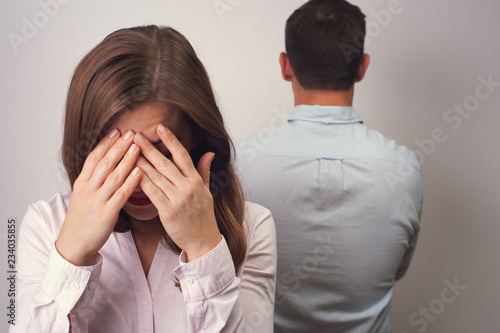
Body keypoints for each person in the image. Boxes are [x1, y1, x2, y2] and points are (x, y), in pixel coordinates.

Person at [12, 25, 276, 333]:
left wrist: (205, 249)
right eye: (118, 154)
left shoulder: (252, 226)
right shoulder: (46, 225)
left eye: (159, 155)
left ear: (197, 142)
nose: (137, 179)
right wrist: (72, 258)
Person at [236, 1, 422, 332]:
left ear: (285, 66)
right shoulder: (404, 169)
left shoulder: (241, 164)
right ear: (362, 67)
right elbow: (396, 269)